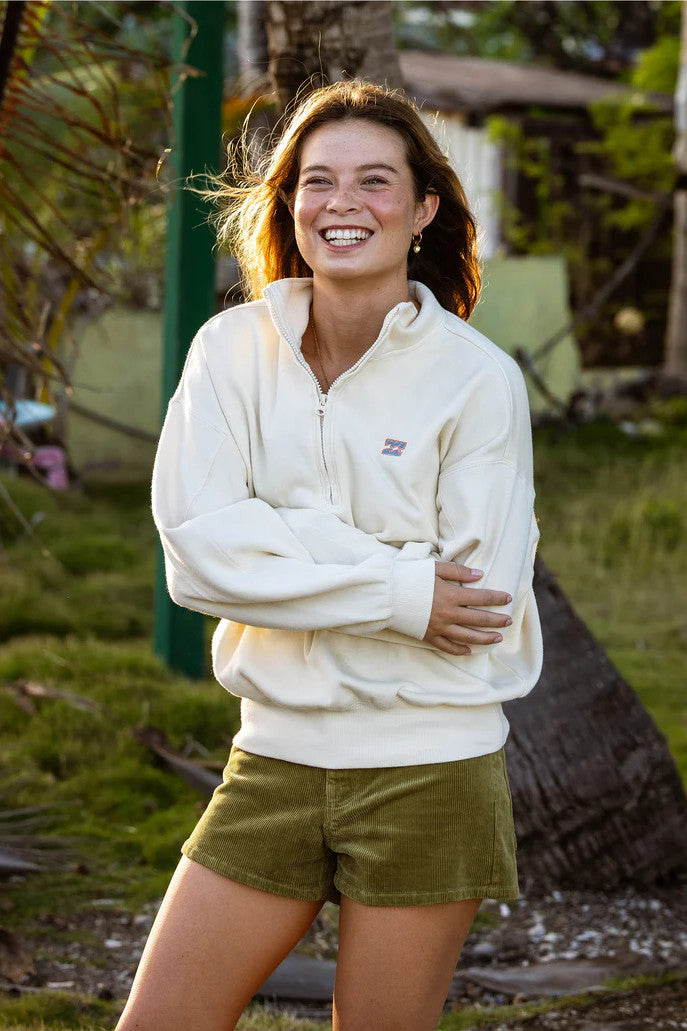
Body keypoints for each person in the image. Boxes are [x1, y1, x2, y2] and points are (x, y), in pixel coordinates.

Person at [116, 79, 543, 1031]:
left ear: (424, 207)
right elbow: (194, 556)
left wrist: (269, 537)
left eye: (375, 181)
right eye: (317, 180)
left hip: (429, 767)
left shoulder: (478, 381)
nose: (341, 203)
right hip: (271, 754)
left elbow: (477, 604)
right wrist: (398, 584)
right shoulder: (228, 352)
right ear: (289, 201)